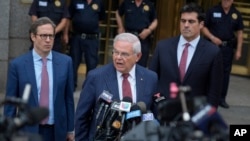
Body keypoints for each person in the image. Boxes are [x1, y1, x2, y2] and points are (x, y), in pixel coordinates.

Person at [75, 33, 158, 140]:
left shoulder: (150, 78)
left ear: (138, 56)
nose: (118, 58)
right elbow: (81, 117)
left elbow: (153, 116)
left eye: (124, 54)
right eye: (115, 52)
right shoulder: (95, 77)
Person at [4, 17, 75, 141]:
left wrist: (70, 129)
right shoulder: (18, 65)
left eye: (51, 36)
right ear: (33, 36)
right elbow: (10, 104)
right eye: (43, 36)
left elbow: (68, 99)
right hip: (28, 131)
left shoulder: (66, 62)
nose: (48, 40)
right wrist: (7, 132)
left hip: (57, 130)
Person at [149, 3, 223, 108]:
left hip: (195, 115)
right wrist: (159, 103)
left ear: (201, 24)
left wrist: (206, 117)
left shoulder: (212, 52)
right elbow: (152, 81)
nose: (186, 25)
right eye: (183, 21)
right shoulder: (163, 47)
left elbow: (214, 92)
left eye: (191, 21)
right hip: (163, 112)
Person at [202, 0, 244, 108]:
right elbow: (203, 27)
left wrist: (239, 50)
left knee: (225, 74)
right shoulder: (212, 11)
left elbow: (240, 33)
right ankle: (206, 96)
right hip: (212, 46)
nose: (226, 1)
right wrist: (212, 37)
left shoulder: (236, 14)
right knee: (208, 71)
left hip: (227, 48)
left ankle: (221, 98)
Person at [65, 0, 105, 89]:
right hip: (77, 37)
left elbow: (101, 19)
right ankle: (71, 86)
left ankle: (89, 87)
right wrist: (66, 34)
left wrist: (90, 25)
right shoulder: (75, 1)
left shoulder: (99, 2)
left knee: (92, 64)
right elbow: (68, 18)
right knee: (74, 62)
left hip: (92, 39)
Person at [116, 0, 158, 67]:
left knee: (141, 63)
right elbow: (118, 13)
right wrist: (120, 27)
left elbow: (155, 21)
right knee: (126, 60)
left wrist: (149, 30)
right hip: (128, 37)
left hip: (143, 38)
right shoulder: (127, 3)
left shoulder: (149, 4)